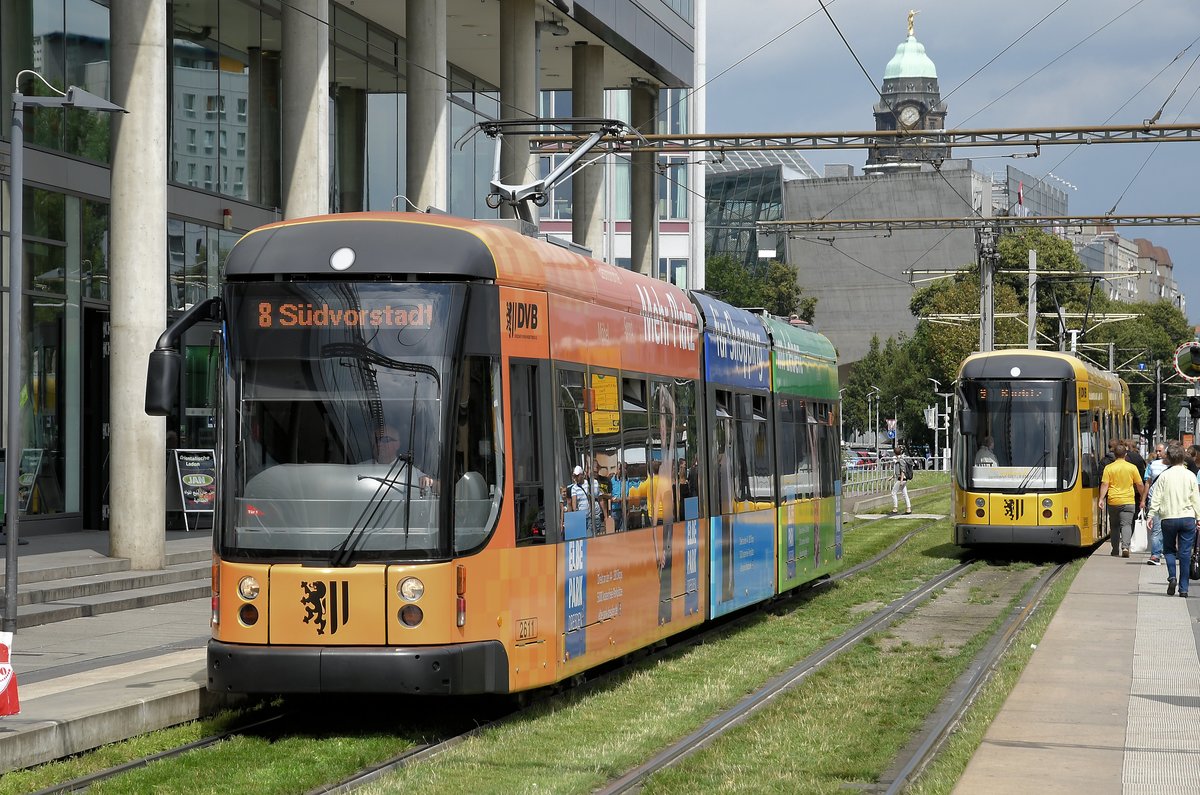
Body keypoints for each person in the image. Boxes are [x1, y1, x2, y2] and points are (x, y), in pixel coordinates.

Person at [1146, 442, 1200, 597]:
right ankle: (1184, 589)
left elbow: (1156, 497)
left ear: (1168, 458)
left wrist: (1151, 515)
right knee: (1185, 553)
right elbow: (1195, 498)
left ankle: (1172, 577)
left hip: (1168, 518)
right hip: (1187, 518)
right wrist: (1198, 517)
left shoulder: (1164, 476)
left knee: (1169, 550)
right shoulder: (1190, 475)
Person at [1098, 442, 1145, 558]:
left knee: (1114, 526)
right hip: (1128, 501)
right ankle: (1125, 547)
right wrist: (1143, 497)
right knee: (1126, 525)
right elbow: (1139, 484)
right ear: (1125, 454)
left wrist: (1101, 498)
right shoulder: (1132, 467)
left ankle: (1115, 550)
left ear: (1114, 454)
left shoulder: (1109, 468)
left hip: (1113, 501)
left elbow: (1105, 484)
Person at [1141, 442, 1168, 565]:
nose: (1158, 453)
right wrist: (1143, 500)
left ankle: (1164, 550)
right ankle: (1155, 555)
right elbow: (1147, 483)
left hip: (1169, 501)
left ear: (1166, 451)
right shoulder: (1152, 465)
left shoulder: (1174, 466)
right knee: (1156, 528)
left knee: (1167, 528)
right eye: (1156, 451)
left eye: (1160, 451)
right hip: (1154, 500)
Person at [568, 464, 604, 534]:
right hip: (581, 517)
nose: (576, 478)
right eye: (575, 476)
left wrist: (604, 515)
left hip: (591, 516)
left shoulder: (589, 484)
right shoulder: (574, 488)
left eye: (577, 476)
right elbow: (574, 504)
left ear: (582, 475)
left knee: (590, 535)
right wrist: (576, 515)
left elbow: (599, 497)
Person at [891, 445, 912, 515]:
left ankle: (895, 508)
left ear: (894, 453)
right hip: (903, 479)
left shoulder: (901, 460)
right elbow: (897, 471)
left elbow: (903, 471)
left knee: (893, 492)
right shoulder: (899, 460)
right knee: (905, 494)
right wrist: (892, 476)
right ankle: (908, 508)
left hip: (901, 479)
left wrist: (901, 480)